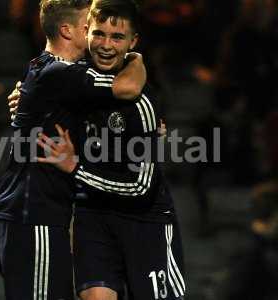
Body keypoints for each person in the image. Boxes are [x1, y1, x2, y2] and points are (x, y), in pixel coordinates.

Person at [0, 0, 146, 299]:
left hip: (32, 215)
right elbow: (129, 87)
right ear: (67, 31)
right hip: (33, 217)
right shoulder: (59, 73)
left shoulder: (48, 70)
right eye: (90, 28)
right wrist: (135, 56)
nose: (96, 38)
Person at [35, 1, 186, 299]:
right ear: (86, 31)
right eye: (99, 34)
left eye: (117, 37)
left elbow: (141, 187)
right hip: (93, 216)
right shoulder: (75, 80)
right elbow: (40, 88)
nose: (106, 45)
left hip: (145, 221)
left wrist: (75, 168)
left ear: (133, 43)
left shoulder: (140, 102)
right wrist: (20, 98)